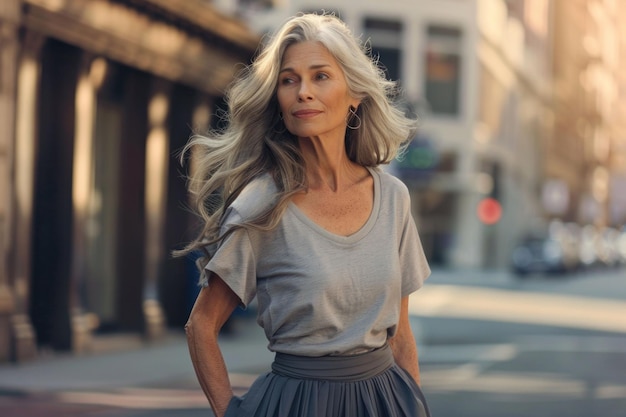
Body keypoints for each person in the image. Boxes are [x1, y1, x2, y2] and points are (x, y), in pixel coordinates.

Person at [181, 12, 432, 417]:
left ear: (354, 94)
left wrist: (415, 407)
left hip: (386, 402)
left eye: (320, 76)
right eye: (289, 80)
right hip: (297, 404)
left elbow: (400, 335)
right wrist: (231, 412)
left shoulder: (393, 198)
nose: (303, 92)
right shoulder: (260, 204)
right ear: (277, 100)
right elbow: (201, 326)